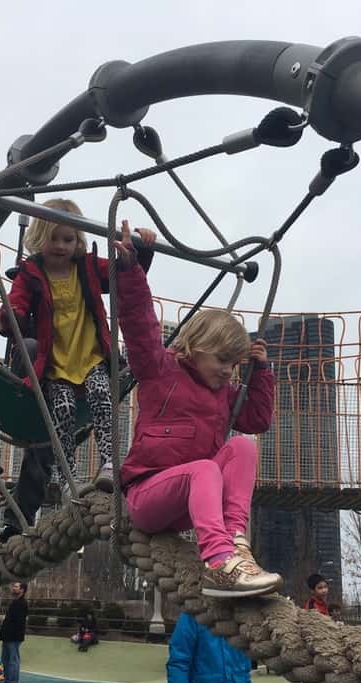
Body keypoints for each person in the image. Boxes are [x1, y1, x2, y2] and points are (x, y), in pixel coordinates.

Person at [114, 221, 280, 599]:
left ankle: (234, 541)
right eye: (222, 360)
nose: (227, 371)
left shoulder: (224, 394)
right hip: (148, 496)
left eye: (234, 364)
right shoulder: (159, 369)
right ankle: (218, 562)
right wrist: (131, 269)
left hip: (189, 503)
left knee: (243, 446)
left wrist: (260, 373)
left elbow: (257, 419)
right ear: (195, 345)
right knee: (205, 468)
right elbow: (140, 325)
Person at [0, 198, 157, 501]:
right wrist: (5, 319)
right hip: (56, 363)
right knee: (62, 410)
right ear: (39, 237)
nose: (61, 246)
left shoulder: (88, 266)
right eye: (53, 238)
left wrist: (140, 251)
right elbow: (18, 305)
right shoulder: (30, 272)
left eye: (68, 239)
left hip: (92, 356)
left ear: (78, 241)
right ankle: (67, 474)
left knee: (102, 395)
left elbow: (124, 274)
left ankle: (110, 461)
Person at [0, 582, 28, 683]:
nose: (13, 588)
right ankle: (6, 682)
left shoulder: (22, 603)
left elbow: (18, 622)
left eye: (16, 587)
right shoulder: (15, 602)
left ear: (22, 590)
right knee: (5, 660)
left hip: (14, 637)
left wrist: (13, 635)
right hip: (7, 636)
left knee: (13, 660)